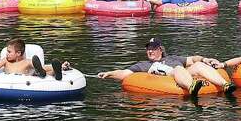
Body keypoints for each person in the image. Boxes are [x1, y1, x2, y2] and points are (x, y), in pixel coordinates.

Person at [97, 38, 233, 99]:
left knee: (198, 66)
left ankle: (225, 85)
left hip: (180, 71)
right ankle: (191, 87)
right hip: (167, 77)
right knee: (178, 69)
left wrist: (205, 59)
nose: (150, 52)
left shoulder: (173, 58)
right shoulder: (143, 65)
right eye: (148, 49)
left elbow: (193, 59)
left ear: (160, 50)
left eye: (153, 49)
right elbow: (124, 73)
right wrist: (109, 73)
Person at [0, 37, 69, 80]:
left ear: (18, 53)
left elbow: (44, 67)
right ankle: (49, 72)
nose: (7, 54)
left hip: (27, 81)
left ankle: (56, 72)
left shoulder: (26, 62)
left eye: (9, 52)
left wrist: (62, 66)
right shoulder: (5, 61)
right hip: (10, 80)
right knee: (40, 72)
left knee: (42, 72)